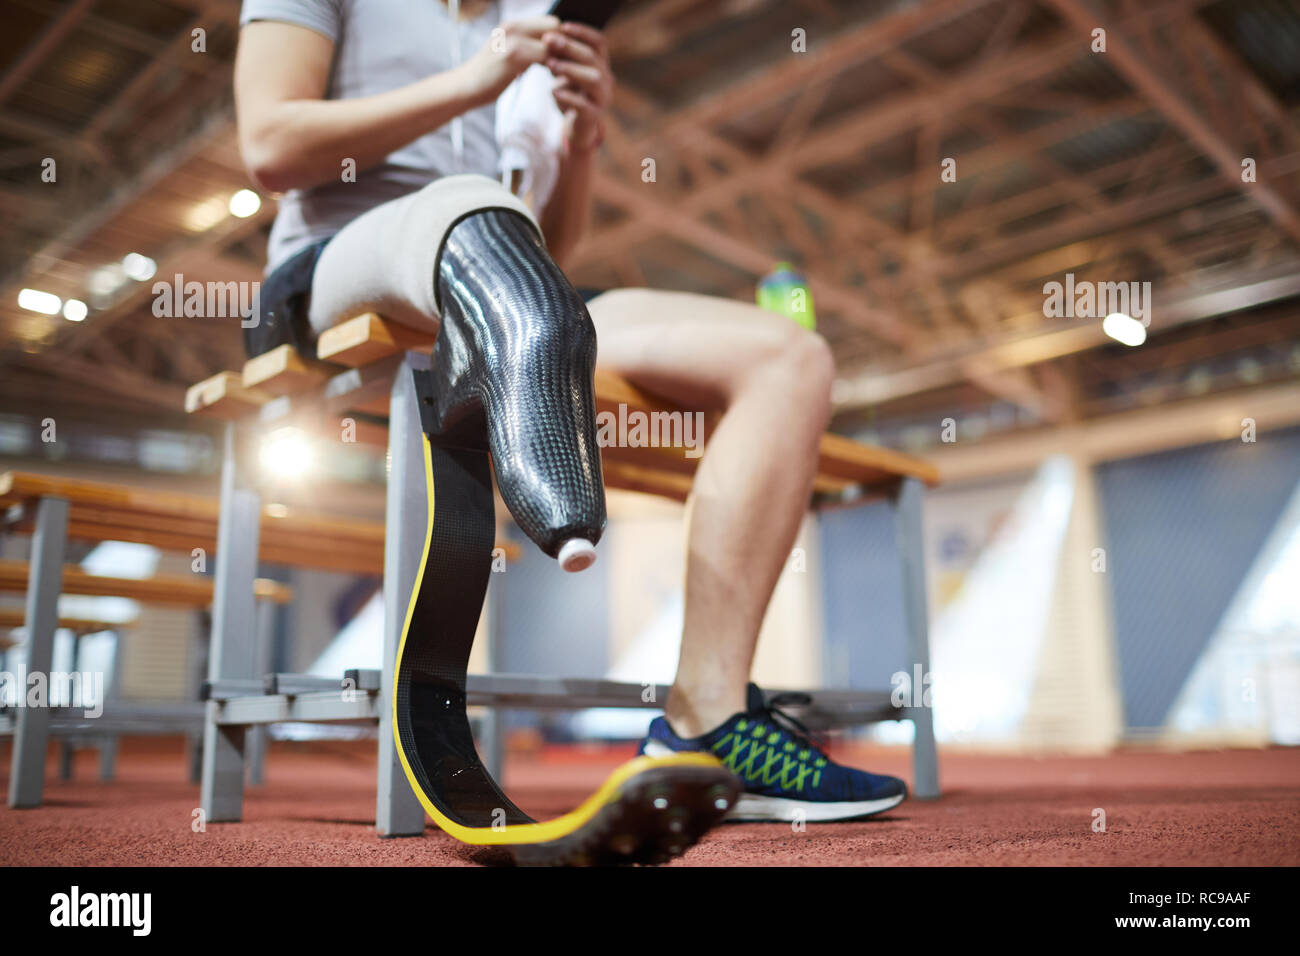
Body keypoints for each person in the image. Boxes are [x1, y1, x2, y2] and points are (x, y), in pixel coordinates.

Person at [234, 0, 906, 824]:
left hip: (501, 274)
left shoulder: (523, 11)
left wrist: (579, 143)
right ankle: (531, 409)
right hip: (340, 263)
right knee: (476, 220)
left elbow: (553, 245)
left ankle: (706, 718)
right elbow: (270, 146)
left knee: (789, 359)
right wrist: (474, 79)